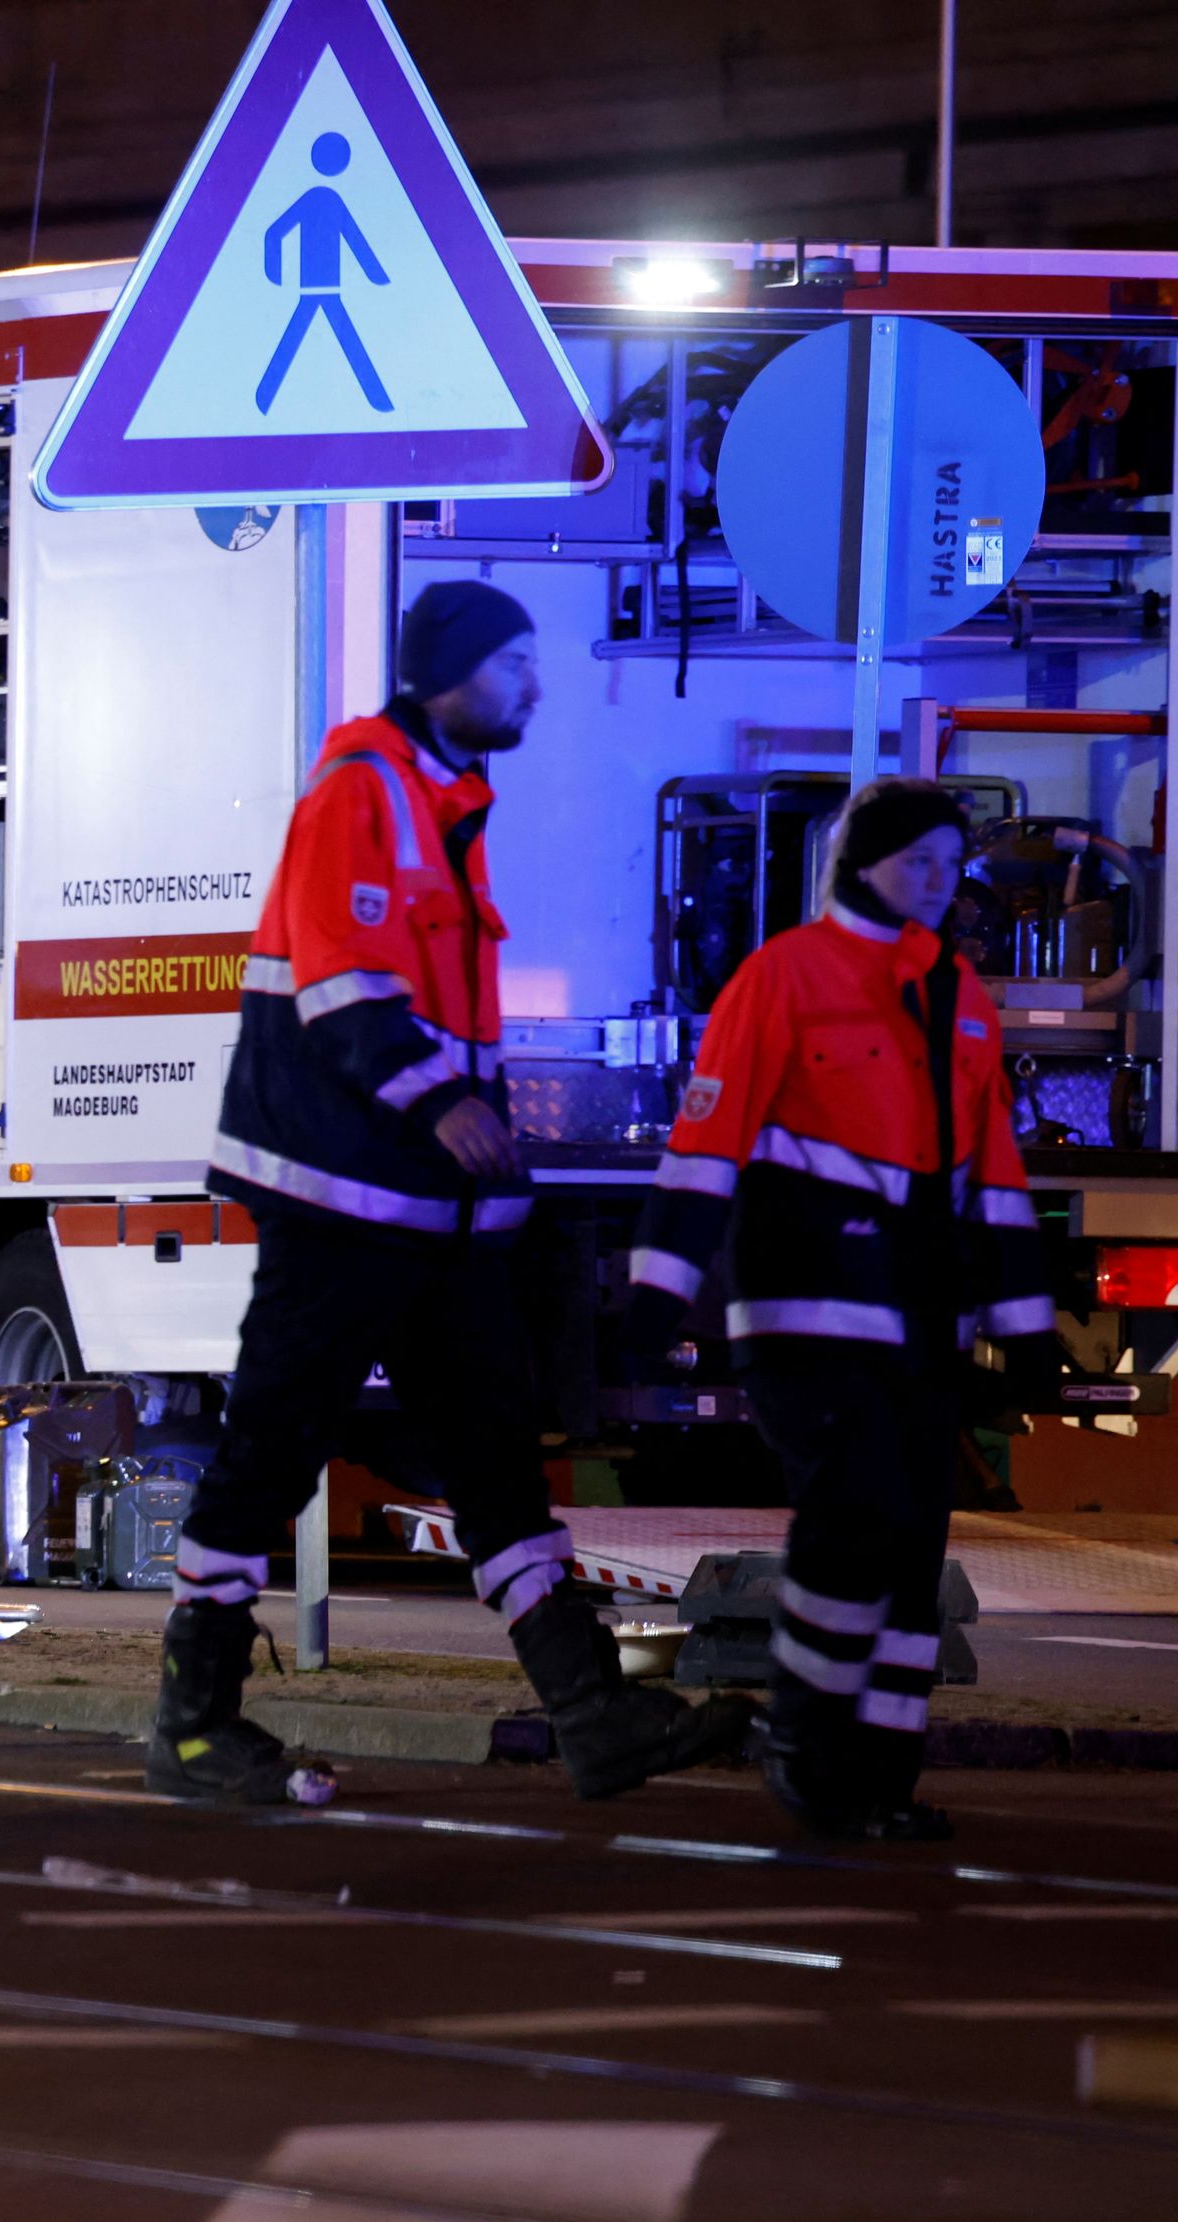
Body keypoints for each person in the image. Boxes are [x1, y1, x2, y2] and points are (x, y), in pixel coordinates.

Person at [151, 581, 753, 1803]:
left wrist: (485, 1176)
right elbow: (338, 985)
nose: (534, 685)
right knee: (270, 1451)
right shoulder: (362, 790)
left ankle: (592, 1713)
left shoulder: (440, 797)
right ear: (447, 673)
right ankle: (194, 1725)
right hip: (338, 1202)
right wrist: (447, 1107)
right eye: (515, 663)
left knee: (493, 1464)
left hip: (428, 1215)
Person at [624, 780, 1061, 1840]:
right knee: (852, 1520)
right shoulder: (783, 977)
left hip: (918, 1322)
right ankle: (808, 1747)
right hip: (803, 1314)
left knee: (909, 1552)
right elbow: (707, 1143)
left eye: (950, 865)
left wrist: (1025, 1322)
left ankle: (878, 1779)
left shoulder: (959, 995)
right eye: (919, 862)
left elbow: (990, 1175)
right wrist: (655, 1292)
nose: (938, 882)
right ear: (862, 863)